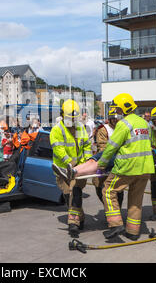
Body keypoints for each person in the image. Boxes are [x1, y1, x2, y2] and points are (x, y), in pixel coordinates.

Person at [96, 93, 154, 241]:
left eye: (117, 109)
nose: (116, 112)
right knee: (136, 199)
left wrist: (102, 164)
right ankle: (133, 232)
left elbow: (111, 147)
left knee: (108, 191)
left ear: (122, 109)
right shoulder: (144, 123)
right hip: (145, 168)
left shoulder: (124, 124)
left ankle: (116, 224)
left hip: (127, 167)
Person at [49, 99, 92, 238]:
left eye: (74, 118)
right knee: (68, 195)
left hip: (79, 170)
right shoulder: (57, 130)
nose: (72, 121)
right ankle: (81, 218)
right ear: (62, 115)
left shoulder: (80, 128)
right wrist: (69, 164)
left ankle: (73, 224)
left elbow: (86, 146)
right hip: (62, 170)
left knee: (76, 192)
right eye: (69, 118)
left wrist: (85, 163)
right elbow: (59, 150)